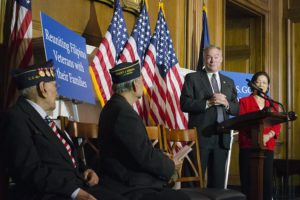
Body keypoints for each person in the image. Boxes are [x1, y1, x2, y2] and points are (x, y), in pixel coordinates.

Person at [0, 60, 124, 200]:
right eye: (54, 85)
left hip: (74, 185)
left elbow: (65, 157)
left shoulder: (42, 118)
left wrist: (85, 170)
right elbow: (29, 170)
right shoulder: (16, 118)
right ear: (43, 88)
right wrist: (74, 192)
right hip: (51, 194)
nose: (57, 91)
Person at [97, 61, 190, 200]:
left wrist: (162, 156)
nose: (143, 84)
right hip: (128, 185)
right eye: (141, 80)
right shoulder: (124, 113)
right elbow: (144, 157)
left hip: (120, 179)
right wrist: (170, 165)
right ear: (135, 85)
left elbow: (134, 150)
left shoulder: (111, 107)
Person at [180, 45, 239, 188]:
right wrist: (208, 103)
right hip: (200, 136)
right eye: (209, 57)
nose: (212, 60)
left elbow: (236, 109)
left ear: (221, 59)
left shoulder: (228, 81)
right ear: (204, 58)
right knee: (193, 181)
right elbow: (185, 104)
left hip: (222, 137)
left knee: (218, 183)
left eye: (216, 57)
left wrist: (226, 103)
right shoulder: (192, 78)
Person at [238, 71, 281, 200]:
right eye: (258, 82)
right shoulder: (244, 101)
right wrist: (256, 136)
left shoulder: (273, 104)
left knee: (266, 182)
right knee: (248, 181)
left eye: (264, 82)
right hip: (248, 146)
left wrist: (268, 136)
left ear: (268, 86)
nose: (261, 85)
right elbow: (242, 122)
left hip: (267, 147)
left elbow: (277, 124)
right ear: (253, 84)